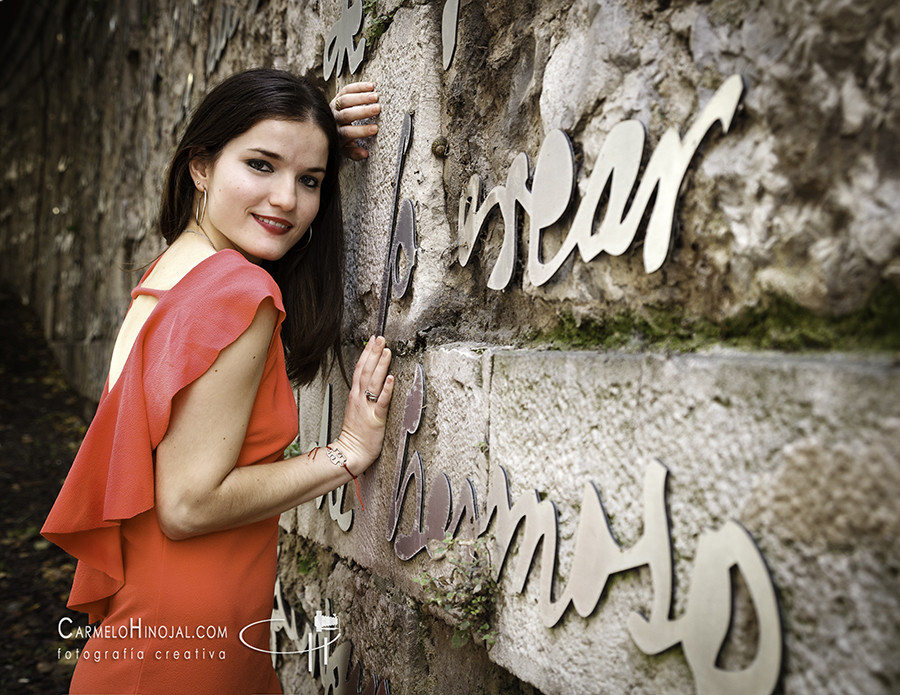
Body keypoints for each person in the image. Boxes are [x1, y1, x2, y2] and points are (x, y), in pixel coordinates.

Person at [41, 68, 390, 694]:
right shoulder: (239, 291)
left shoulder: (170, 272)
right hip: (194, 642)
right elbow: (187, 505)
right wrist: (346, 454)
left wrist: (303, 130)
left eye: (309, 180)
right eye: (261, 165)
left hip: (152, 633)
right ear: (200, 167)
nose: (287, 198)